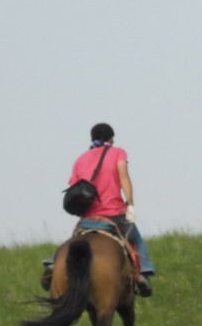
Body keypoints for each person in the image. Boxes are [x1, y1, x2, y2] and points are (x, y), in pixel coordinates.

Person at [42, 123, 156, 296]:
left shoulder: (81, 159)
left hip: (88, 216)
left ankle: (53, 263)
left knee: (74, 238)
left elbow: (74, 186)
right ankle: (143, 275)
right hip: (114, 212)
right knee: (137, 239)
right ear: (111, 138)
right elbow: (124, 178)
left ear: (92, 138)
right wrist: (130, 203)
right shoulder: (118, 153)